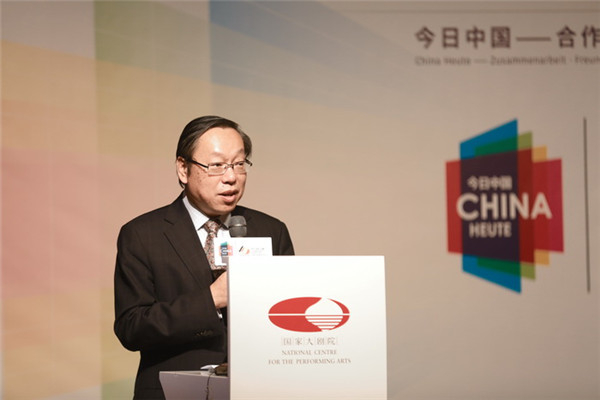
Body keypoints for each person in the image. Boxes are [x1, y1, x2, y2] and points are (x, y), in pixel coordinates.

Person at [114, 116, 295, 399]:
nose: (231, 177)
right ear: (183, 168)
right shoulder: (142, 234)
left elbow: (288, 316)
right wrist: (211, 299)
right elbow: (132, 328)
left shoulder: (272, 230)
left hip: (257, 390)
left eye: (239, 164)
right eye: (217, 165)